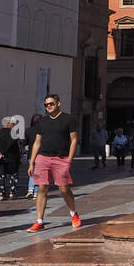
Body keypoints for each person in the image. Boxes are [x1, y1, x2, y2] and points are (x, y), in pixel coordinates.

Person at [26, 92, 81, 233]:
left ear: (58, 103)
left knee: (64, 189)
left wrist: (70, 159)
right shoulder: (42, 122)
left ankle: (73, 213)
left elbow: (74, 139)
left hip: (61, 158)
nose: (48, 106)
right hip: (43, 158)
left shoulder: (68, 119)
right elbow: (37, 143)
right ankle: (39, 221)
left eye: (51, 103)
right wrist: (31, 162)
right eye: (46, 105)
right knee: (42, 189)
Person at [0, 117, 22, 200]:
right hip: (12, 157)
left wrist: (0, 152)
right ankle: (12, 192)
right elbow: (16, 145)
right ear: (10, 124)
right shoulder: (14, 133)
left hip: (0, 157)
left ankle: (1, 194)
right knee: (14, 175)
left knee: (1, 176)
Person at [25, 115, 42, 198]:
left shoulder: (28, 130)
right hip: (41, 153)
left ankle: (30, 189)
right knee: (38, 173)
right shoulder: (43, 130)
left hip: (31, 153)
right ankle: (36, 192)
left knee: (32, 172)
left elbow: (24, 142)